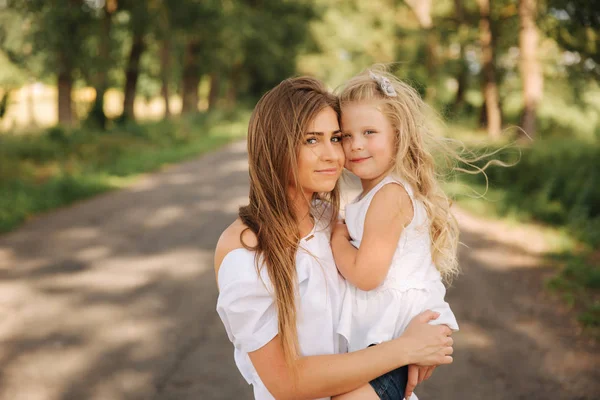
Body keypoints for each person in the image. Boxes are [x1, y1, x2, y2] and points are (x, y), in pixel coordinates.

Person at [214, 76, 454, 400]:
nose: (333, 155)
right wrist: (405, 351)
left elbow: (403, 274)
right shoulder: (244, 252)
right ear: (276, 146)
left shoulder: (331, 221)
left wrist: (430, 328)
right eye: (312, 140)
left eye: (335, 137)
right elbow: (286, 383)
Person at [331, 67, 462, 400]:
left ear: (398, 136)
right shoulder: (373, 196)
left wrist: (336, 239)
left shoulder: (388, 196)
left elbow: (367, 274)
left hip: (395, 337)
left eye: (369, 132)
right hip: (387, 341)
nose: (355, 145)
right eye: (345, 135)